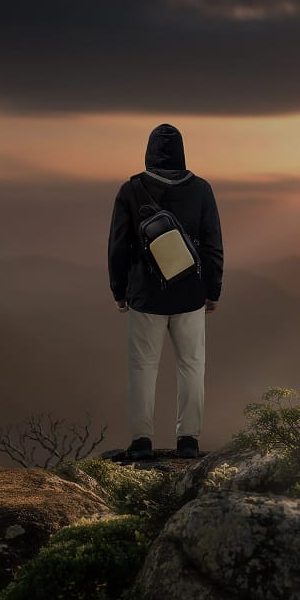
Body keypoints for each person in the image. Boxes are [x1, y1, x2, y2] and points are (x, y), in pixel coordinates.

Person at [107, 123, 224, 460]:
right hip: (190, 295)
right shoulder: (202, 190)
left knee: (143, 366)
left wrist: (119, 291)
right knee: (191, 365)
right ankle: (188, 439)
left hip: (145, 296)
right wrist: (212, 290)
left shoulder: (130, 190)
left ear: (149, 152)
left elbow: (118, 247)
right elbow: (214, 245)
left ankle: (141, 440)